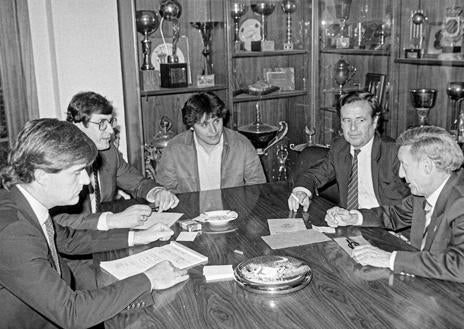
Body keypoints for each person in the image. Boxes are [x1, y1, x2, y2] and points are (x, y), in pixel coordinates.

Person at [0, 119, 188, 328]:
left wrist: (137, 236)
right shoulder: (13, 233)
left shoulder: (23, 202)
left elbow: (69, 239)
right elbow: (72, 313)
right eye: (77, 172)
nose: (86, 181)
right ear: (41, 175)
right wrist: (149, 278)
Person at [325, 126, 464, 282]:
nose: (400, 174)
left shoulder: (460, 201)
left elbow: (460, 266)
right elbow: (394, 214)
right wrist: (353, 217)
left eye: (405, 165)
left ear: (427, 166)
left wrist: (391, 259)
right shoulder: (424, 192)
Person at [53, 91, 179, 230]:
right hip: (74, 240)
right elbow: (60, 222)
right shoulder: (59, 161)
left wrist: (156, 192)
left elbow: (137, 182)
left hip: (103, 234)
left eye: (110, 122)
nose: (111, 131)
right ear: (77, 126)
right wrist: (112, 220)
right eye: (101, 123)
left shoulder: (109, 152)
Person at [288, 91, 409, 212]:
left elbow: (414, 203)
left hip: (387, 227)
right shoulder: (340, 148)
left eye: (360, 120)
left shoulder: (394, 153)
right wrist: (300, 192)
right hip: (349, 223)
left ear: (375, 121)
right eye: (347, 120)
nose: (353, 128)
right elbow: (313, 175)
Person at [155, 92, 266, 193]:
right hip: (191, 213)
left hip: (233, 212)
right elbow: (164, 190)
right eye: (204, 125)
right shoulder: (174, 149)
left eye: (216, 121)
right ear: (191, 126)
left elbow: (257, 187)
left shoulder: (241, 144)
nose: (213, 131)